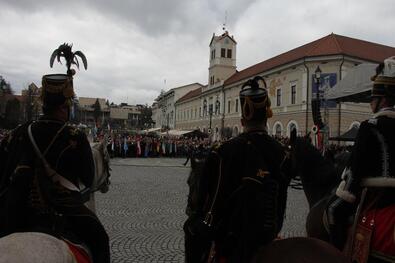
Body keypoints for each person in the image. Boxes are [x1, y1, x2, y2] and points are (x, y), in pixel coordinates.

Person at [0, 52, 110, 262]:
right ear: (64, 107)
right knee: (99, 238)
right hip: (59, 214)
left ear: (44, 104)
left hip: (12, 212)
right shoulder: (74, 136)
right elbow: (87, 179)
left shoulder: (17, 134)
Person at [191, 76, 289, 263]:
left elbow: (208, 199)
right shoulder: (282, 153)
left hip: (230, 244)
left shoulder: (222, 152)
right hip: (268, 237)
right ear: (267, 115)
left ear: (243, 119)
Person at [327, 57, 395, 261]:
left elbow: (353, 175)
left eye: (372, 99)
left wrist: (343, 196)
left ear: (382, 100)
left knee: (332, 211)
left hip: (381, 201)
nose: (371, 104)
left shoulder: (370, 126)